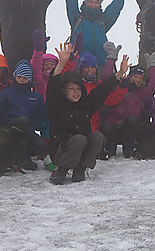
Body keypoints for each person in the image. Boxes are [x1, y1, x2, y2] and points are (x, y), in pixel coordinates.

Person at [47, 44, 129, 184]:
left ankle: (81, 167)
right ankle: (62, 169)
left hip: (80, 147)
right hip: (61, 150)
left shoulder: (86, 104)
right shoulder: (57, 105)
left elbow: (102, 90)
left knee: (97, 136)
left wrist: (119, 73)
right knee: (79, 139)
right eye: (71, 89)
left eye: (78, 88)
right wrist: (61, 64)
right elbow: (53, 86)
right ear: (64, 91)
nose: (76, 92)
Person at [0, 60, 47, 170]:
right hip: (8, 129)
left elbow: (45, 114)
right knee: (23, 121)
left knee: (41, 146)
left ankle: (19, 154)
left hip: (28, 130)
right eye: (19, 76)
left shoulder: (35, 97)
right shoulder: (6, 94)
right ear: (15, 76)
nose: (22, 79)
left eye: (25, 77)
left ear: (29, 79)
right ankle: (22, 158)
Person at [65, 0, 127, 67]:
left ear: (100, 4)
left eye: (96, 2)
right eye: (90, 1)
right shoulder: (77, 17)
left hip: (100, 63)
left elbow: (117, 6)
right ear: (86, 2)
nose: (93, 4)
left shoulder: (102, 20)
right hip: (78, 62)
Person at [98, 54, 155, 158]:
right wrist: (111, 59)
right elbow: (106, 78)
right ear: (129, 76)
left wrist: (152, 67)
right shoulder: (118, 86)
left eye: (141, 78)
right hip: (111, 125)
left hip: (128, 129)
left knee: (133, 120)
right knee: (107, 126)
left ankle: (128, 149)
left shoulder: (141, 94)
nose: (138, 80)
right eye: (135, 76)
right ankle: (110, 149)